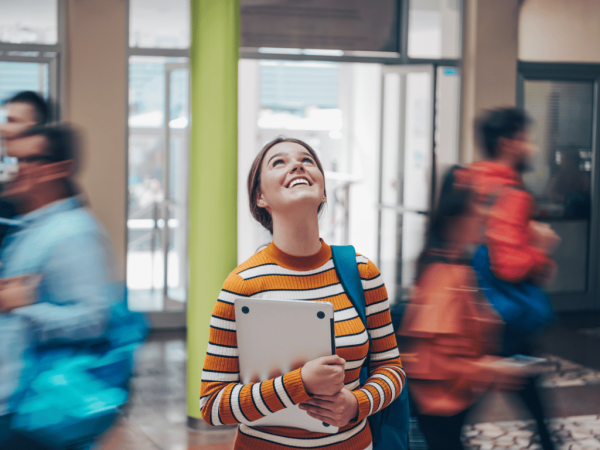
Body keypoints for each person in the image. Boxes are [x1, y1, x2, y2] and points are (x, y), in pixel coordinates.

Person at [199, 137, 405, 450]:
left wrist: (357, 404)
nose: (297, 165)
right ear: (260, 197)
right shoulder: (242, 284)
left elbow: (391, 369)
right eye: (278, 162)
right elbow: (213, 404)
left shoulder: (362, 273)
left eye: (307, 160)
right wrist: (299, 384)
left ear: (323, 191)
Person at [0, 125, 120, 449]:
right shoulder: (32, 226)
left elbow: (95, 318)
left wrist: (22, 308)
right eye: (15, 159)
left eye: (29, 160)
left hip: (35, 409)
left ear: (59, 168)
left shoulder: (74, 233)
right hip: (15, 401)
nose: (16, 169)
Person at [398, 166, 523, 450]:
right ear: (456, 217)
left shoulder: (456, 265)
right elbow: (436, 361)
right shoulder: (444, 275)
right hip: (442, 403)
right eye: (478, 204)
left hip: (452, 401)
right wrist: (491, 369)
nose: (486, 214)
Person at [471, 108, 559, 450]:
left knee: (516, 382)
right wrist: (541, 249)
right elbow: (508, 265)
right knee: (516, 378)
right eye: (527, 139)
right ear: (508, 142)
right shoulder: (512, 193)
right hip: (503, 312)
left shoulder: (469, 179)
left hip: (469, 304)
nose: (532, 148)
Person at [0, 91, 50, 244]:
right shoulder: (10, 179)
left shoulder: (43, 184)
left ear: (33, 129)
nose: (3, 128)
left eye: (12, 121)